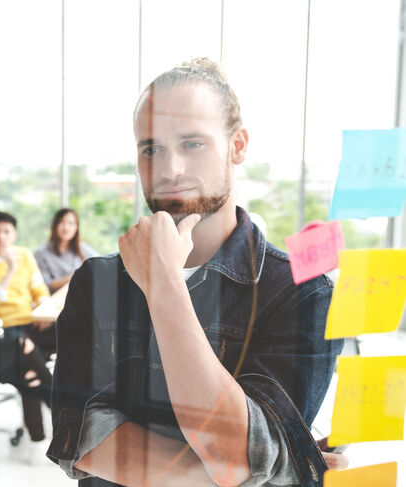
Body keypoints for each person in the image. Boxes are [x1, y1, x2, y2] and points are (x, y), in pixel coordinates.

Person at [47, 59, 346, 487]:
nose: (170, 170)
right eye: (151, 149)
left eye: (192, 144)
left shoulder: (302, 292)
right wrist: (245, 473)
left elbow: (238, 451)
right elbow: (82, 439)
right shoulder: (97, 281)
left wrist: (164, 282)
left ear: (237, 146)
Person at [0, 211, 53, 452]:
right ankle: (64, 408)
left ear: (14, 234)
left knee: (74, 333)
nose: (1, 236)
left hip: (33, 322)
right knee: (26, 365)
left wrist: (44, 311)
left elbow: (40, 290)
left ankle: (38, 438)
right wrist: (9, 272)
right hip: (4, 330)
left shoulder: (25, 255)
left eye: (6, 231)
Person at [35, 208, 98, 293]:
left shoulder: (82, 248)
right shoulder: (41, 253)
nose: (66, 227)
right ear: (55, 225)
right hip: (55, 300)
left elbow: (99, 266)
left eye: (71, 223)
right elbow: (46, 284)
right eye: (61, 222)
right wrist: (77, 275)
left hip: (82, 297)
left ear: (76, 227)